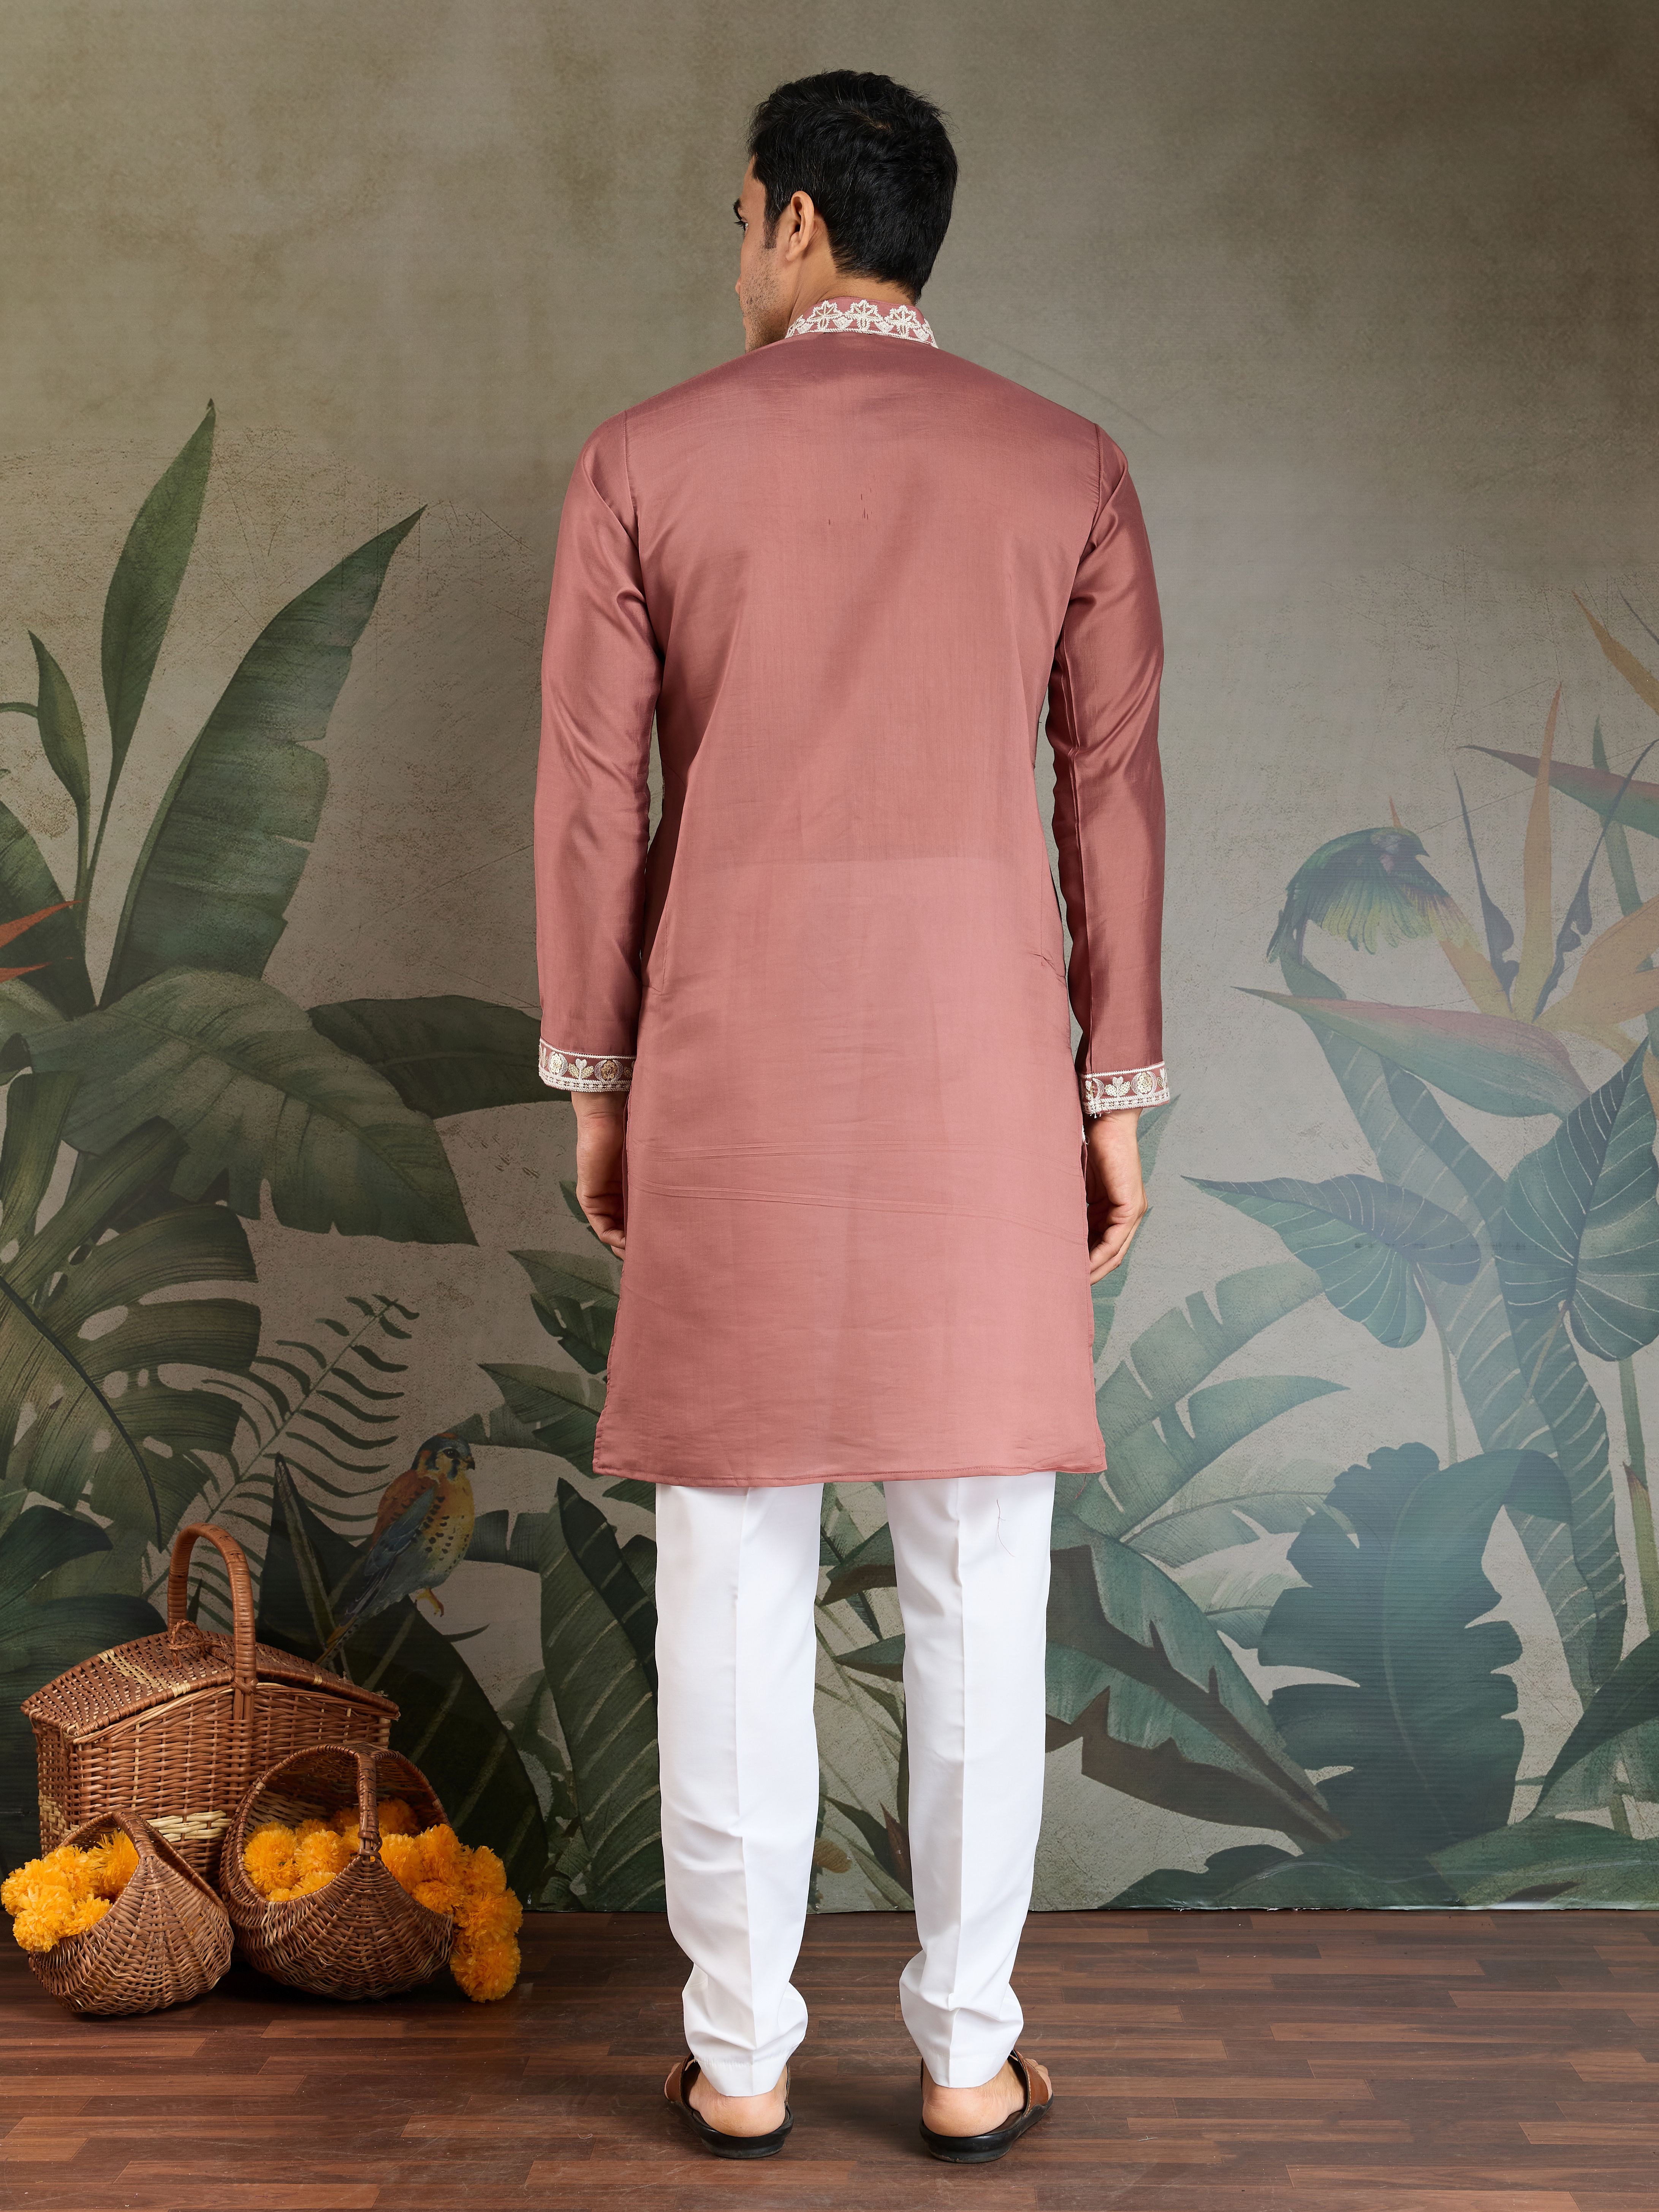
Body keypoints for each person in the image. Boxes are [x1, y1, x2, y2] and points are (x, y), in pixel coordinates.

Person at [533, 68, 1165, 2165]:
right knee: (981, 1565)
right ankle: (969, 2055)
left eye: (741, 218)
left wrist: (600, 1082)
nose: (735, 256)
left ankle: (739, 2057)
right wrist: (1114, 1090)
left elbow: (594, 803)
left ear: (797, 221)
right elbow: (1110, 800)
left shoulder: (644, 461)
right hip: (984, 1067)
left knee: (729, 1564)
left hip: (734, 1058)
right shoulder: (1067, 465)